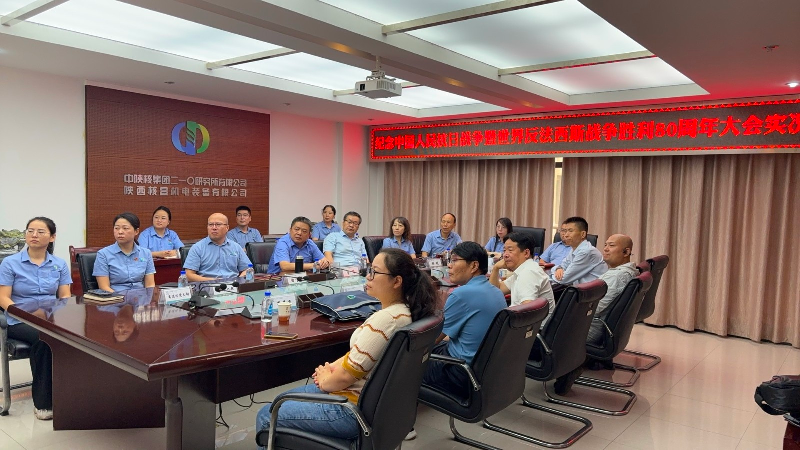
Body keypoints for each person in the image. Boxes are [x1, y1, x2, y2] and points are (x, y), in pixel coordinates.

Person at [255, 248, 437, 445]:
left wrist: (325, 379)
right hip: (374, 404)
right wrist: (331, 368)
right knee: (282, 398)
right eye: (369, 269)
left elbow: (345, 377)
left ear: (396, 281)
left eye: (375, 272)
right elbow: (359, 357)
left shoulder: (387, 320)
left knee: (267, 415)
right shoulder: (404, 312)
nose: (368, 276)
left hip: (352, 408)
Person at [0, 217, 72, 420]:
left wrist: (59, 315)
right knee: (45, 339)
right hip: (18, 320)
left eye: (41, 232)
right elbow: (3, 297)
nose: (34, 235)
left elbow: (65, 296)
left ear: (52, 237)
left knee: (73, 339)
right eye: (30, 230)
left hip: (50, 318)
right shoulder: (10, 263)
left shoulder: (59, 264)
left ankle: (70, 393)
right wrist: (23, 314)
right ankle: (44, 403)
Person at [555, 234, 639, 395]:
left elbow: (596, 307)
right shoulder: (625, 271)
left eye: (611, 246)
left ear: (626, 252)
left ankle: (564, 365)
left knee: (540, 323)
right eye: (605, 245)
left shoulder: (617, 276)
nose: (605, 249)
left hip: (589, 328)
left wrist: (564, 313)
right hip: (598, 325)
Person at [422, 242, 506, 398]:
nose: (449, 266)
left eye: (454, 260)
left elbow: (434, 339)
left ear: (474, 266)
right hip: (488, 370)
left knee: (405, 362)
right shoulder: (496, 291)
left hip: (461, 372)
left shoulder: (461, 294)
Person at [489, 231, 556, 323]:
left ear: (526, 253)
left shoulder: (528, 273)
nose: (505, 255)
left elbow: (527, 312)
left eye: (510, 250)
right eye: (504, 250)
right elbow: (496, 290)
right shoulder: (524, 269)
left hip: (532, 329)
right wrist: (496, 268)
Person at [93, 212, 156, 292]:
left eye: (125, 228)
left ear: (136, 231)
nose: (120, 232)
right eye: (117, 228)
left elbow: (150, 285)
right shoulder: (103, 254)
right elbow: (104, 287)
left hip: (140, 297)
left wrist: (147, 298)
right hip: (115, 297)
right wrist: (120, 298)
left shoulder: (146, 253)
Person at [184, 213, 252, 281]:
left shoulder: (236, 247)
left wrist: (238, 280)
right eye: (211, 224)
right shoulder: (198, 248)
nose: (214, 228)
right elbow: (189, 275)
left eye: (218, 224)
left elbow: (248, 269)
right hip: (207, 285)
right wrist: (214, 281)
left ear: (227, 228)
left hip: (233, 284)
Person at [551, 217, 607, 286]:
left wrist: (553, 273)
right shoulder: (574, 248)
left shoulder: (586, 251)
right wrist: (558, 269)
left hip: (592, 292)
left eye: (570, 231)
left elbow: (564, 279)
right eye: (565, 231)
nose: (566, 235)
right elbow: (562, 265)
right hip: (579, 289)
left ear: (583, 234)